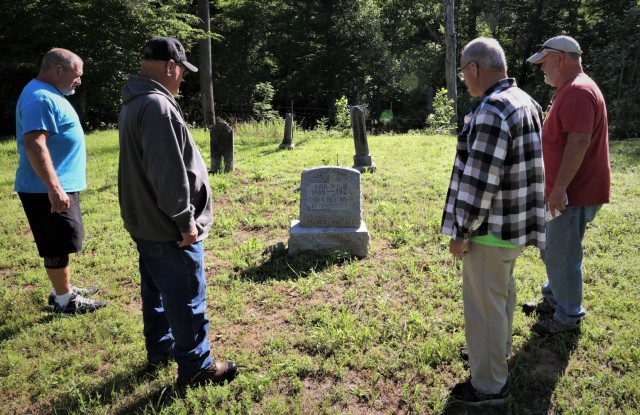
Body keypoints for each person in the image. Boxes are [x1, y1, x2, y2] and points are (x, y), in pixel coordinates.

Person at [118, 37, 238, 387]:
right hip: (168, 226)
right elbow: (168, 173)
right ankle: (197, 368)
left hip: (145, 221)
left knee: (156, 290)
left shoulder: (134, 100)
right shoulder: (157, 105)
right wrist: (186, 223)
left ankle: (160, 347)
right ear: (171, 66)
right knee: (186, 296)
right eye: (183, 71)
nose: (182, 79)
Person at [441, 37, 545, 406]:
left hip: (490, 229)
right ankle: (494, 359)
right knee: (499, 299)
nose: (464, 80)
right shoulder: (526, 102)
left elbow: (480, 182)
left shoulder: (492, 110)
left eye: (463, 73)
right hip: (515, 227)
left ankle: (487, 387)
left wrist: (461, 231)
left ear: (474, 68)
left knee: (484, 308)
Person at [525, 36, 610, 336]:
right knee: (552, 248)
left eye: (544, 62)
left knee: (562, 253)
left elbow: (579, 141)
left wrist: (560, 188)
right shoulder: (571, 89)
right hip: (564, 191)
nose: (541, 69)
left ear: (560, 59)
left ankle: (568, 315)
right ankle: (554, 299)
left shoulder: (577, 91)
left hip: (573, 194)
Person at [14, 48, 106, 314]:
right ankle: (65, 301)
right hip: (45, 189)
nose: (79, 80)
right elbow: (34, 143)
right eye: (76, 75)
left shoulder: (46, 93)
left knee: (63, 239)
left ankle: (62, 289)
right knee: (55, 242)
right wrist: (54, 188)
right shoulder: (39, 98)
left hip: (54, 186)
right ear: (58, 70)